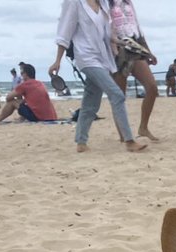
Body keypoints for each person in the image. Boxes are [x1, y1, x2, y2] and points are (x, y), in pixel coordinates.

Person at [50, 0, 147, 152]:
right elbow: (64, 32)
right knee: (117, 95)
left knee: (91, 102)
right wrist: (57, 61)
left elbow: (107, 33)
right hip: (86, 57)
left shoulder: (103, 4)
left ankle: (81, 142)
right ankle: (129, 141)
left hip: (102, 58)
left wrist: (120, 42)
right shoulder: (74, 3)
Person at [109, 0, 159, 141]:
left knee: (152, 87)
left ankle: (143, 127)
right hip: (116, 49)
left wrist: (148, 51)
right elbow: (104, 27)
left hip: (134, 45)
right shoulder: (105, 3)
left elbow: (137, 27)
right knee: (119, 96)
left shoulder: (128, 3)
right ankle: (123, 135)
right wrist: (114, 50)